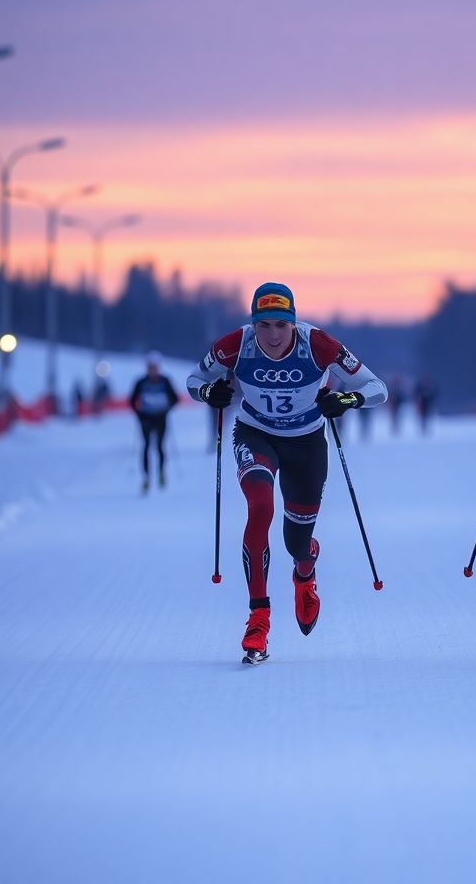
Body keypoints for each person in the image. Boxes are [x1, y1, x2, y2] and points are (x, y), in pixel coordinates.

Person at [187, 282, 388, 664]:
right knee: (259, 506)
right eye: (264, 326)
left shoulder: (317, 344)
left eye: (282, 325)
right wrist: (208, 393)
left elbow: (377, 388)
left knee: (296, 541)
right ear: (253, 325)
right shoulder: (236, 344)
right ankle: (258, 618)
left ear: (293, 323)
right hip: (255, 433)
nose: (274, 335)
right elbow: (194, 380)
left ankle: (305, 568)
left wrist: (346, 399)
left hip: (306, 444)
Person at [130, 351, 179, 493]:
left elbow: (175, 398)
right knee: (146, 446)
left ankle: (161, 473)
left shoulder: (165, 381)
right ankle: (146, 477)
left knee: (159, 446)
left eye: (154, 367)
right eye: (150, 367)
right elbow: (132, 400)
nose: (152, 370)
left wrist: (166, 408)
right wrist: (139, 414)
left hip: (160, 417)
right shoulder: (141, 382)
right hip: (146, 418)